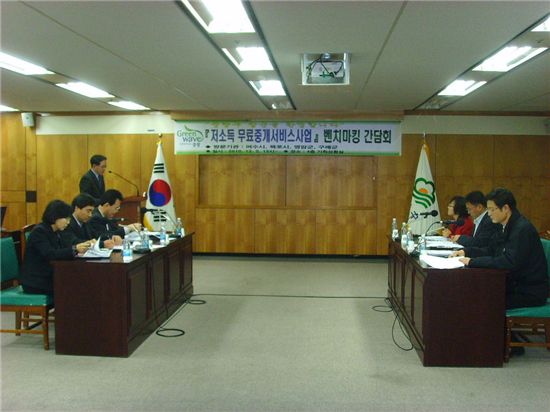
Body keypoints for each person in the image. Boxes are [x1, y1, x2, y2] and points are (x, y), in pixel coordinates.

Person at [452, 188, 549, 309]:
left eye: (492, 209)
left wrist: (472, 261)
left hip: (528, 291)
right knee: (472, 292)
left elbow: (509, 262)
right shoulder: (504, 226)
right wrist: (466, 252)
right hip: (512, 285)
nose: (489, 214)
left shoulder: (522, 229)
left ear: (506, 208)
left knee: (479, 300)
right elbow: (491, 250)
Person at [20, 200, 91, 297]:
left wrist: (77, 251)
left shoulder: (56, 231)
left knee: (82, 281)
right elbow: (51, 254)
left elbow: (62, 250)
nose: (68, 222)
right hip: (36, 280)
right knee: (76, 286)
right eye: (66, 218)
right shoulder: (39, 232)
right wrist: (74, 249)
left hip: (50, 275)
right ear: (55, 217)